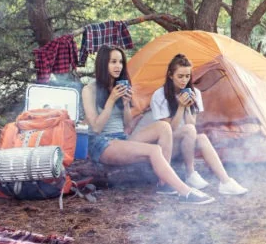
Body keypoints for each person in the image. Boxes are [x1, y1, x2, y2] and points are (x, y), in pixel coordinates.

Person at [82, 45, 215, 205]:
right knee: (154, 150)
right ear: (103, 63)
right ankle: (185, 192)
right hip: (102, 143)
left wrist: (124, 104)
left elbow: (127, 125)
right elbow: (96, 127)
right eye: (113, 62)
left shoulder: (119, 86)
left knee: (163, 127)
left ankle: (164, 184)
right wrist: (111, 100)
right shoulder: (89, 89)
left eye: (121, 62)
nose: (118, 66)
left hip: (122, 139)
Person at [150, 54, 248, 196]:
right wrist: (181, 107)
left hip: (187, 141)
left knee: (200, 137)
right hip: (167, 146)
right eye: (180, 76)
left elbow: (191, 124)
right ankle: (190, 173)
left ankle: (226, 182)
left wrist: (189, 106)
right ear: (170, 75)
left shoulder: (195, 93)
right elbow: (168, 131)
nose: (184, 80)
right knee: (190, 130)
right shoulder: (159, 95)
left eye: (187, 76)